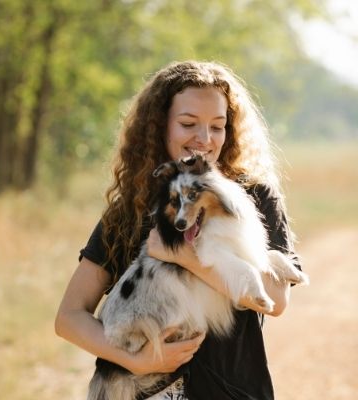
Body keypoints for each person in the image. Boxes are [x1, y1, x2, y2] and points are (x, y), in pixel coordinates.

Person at [55, 60, 302, 400]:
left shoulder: (255, 197)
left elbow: (274, 301)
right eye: (189, 123)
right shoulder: (132, 206)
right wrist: (137, 360)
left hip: (231, 391)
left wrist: (183, 255)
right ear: (160, 126)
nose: (204, 139)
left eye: (218, 126)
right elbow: (68, 317)